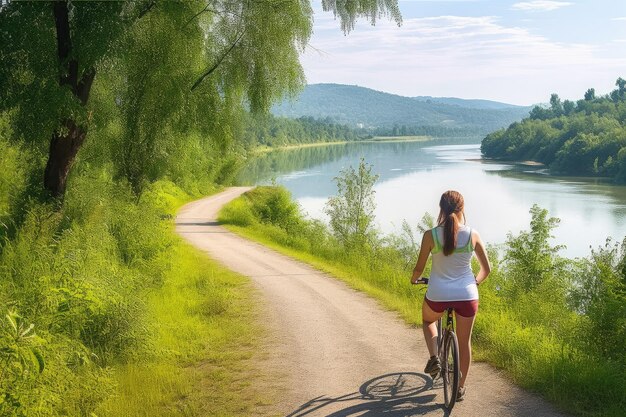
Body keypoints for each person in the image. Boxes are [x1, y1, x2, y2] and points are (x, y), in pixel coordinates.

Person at [410, 190, 491, 401]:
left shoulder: (430, 235)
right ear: (462, 208)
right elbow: (486, 269)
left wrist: (414, 278)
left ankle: (435, 356)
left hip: (437, 294)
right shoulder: (472, 234)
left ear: (441, 209)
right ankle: (460, 388)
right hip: (467, 295)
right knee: (464, 342)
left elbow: (419, 267)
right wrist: (475, 282)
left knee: (428, 320)